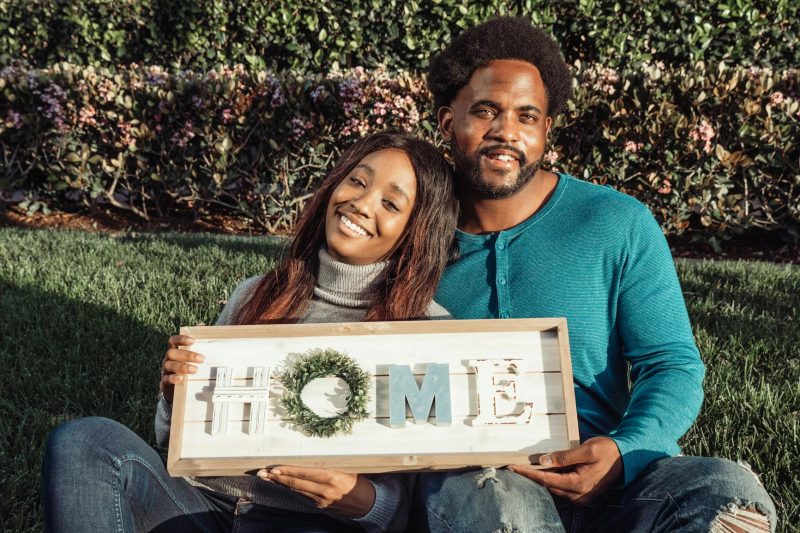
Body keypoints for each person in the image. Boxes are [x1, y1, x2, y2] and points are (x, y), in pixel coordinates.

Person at [413, 17, 777, 533]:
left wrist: (624, 451)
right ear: (448, 122)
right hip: (477, 487)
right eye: (486, 111)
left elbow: (671, 364)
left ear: (546, 130)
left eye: (526, 116)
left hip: (612, 483)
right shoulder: (410, 234)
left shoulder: (617, 222)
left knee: (727, 493)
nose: (506, 132)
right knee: (504, 503)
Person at [42, 131, 458, 533]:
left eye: (390, 203)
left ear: (417, 229)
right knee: (83, 441)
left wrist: (360, 499)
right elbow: (171, 444)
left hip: (312, 523)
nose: (362, 204)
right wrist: (176, 397)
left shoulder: (426, 331)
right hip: (201, 505)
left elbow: (420, 510)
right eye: (358, 181)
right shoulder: (256, 293)